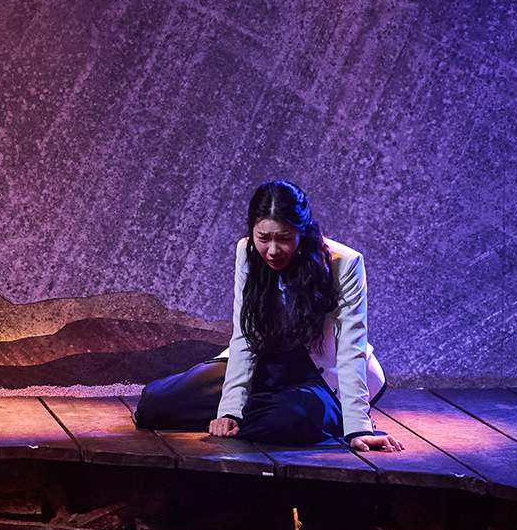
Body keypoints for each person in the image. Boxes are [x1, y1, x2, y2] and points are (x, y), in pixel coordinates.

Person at [134, 181, 403, 452]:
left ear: (302, 232)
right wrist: (230, 411)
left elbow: (350, 348)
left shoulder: (344, 263)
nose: (273, 250)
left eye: (284, 239)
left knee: (291, 418)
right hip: (266, 364)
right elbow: (244, 335)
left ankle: (323, 416)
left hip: (320, 376)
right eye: (263, 238)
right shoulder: (247, 251)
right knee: (154, 405)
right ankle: (265, 414)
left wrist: (358, 427)